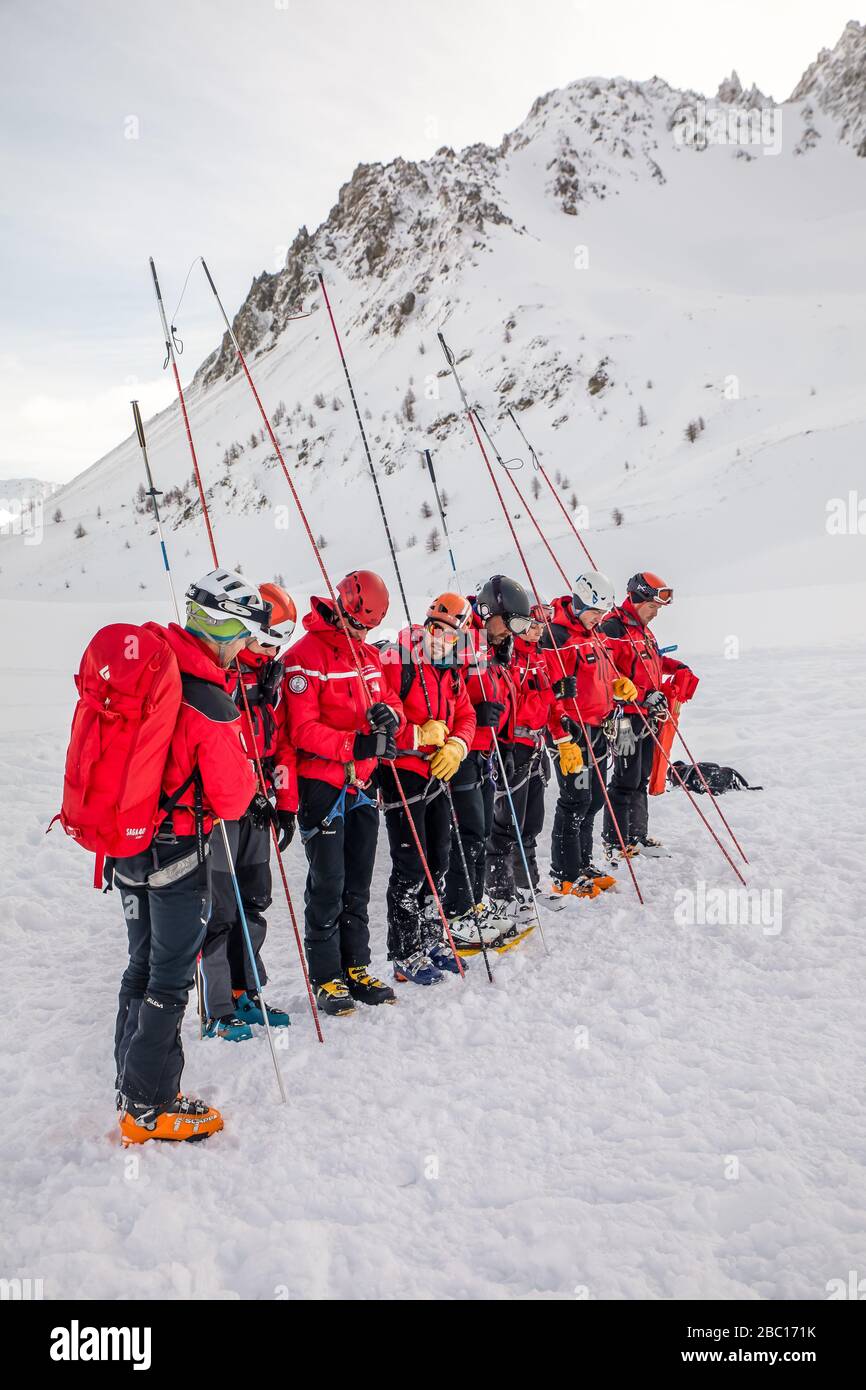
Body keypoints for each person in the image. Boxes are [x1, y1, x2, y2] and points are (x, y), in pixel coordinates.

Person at [112, 568, 272, 1144]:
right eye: (245, 634)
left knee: (140, 966)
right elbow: (232, 797)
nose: (246, 648)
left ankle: (130, 1086)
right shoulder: (208, 700)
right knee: (169, 977)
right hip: (177, 855)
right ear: (224, 629)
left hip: (127, 845)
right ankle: (151, 1105)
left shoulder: (151, 673)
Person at [281, 570, 402, 1017]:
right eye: (358, 624)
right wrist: (354, 744)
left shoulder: (367, 654)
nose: (363, 632)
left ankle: (356, 966)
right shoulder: (304, 658)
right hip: (325, 783)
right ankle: (326, 975)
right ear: (342, 608)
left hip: (364, 783)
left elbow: (390, 701)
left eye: (370, 627)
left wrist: (391, 718)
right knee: (327, 882)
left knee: (358, 881)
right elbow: (303, 729)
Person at [200, 582, 297, 1040]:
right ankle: (216, 1007)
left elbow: (283, 747)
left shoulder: (271, 678)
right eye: (270, 633)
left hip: (259, 806)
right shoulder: (224, 672)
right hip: (223, 807)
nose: (275, 644)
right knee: (220, 907)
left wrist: (286, 801)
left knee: (254, 900)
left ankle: (246, 990)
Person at [378, 593, 476, 984]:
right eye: (436, 629)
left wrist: (458, 744)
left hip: (439, 770)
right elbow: (380, 714)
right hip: (403, 770)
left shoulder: (451, 669)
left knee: (439, 859)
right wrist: (416, 734)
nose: (440, 639)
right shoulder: (400, 659)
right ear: (426, 624)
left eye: (451, 635)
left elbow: (466, 714)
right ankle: (405, 952)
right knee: (410, 864)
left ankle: (431, 937)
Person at [441, 574, 530, 948]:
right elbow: (446, 693)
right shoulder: (461, 639)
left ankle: (473, 906)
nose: (512, 633)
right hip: (460, 750)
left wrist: (506, 746)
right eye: (510, 623)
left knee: (480, 833)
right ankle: (457, 913)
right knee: (465, 834)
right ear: (490, 611)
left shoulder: (495, 648)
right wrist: (477, 712)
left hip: (485, 751)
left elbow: (504, 699)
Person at [540, 572, 633, 896]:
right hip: (571, 731)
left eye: (603, 615)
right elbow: (550, 692)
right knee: (574, 799)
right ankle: (564, 872)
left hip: (597, 726)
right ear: (579, 602)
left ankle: (582, 863)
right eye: (595, 612)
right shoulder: (557, 636)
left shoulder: (594, 635)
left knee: (594, 798)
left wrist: (617, 684)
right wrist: (562, 737)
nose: (599, 619)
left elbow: (603, 671)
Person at [598, 571, 699, 860]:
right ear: (637, 599)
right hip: (624, 718)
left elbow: (652, 661)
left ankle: (636, 836)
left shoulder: (642, 629)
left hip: (646, 716)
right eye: (652, 607)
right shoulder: (614, 628)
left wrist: (676, 667)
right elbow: (607, 675)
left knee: (641, 775)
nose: (655, 614)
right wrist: (643, 695)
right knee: (625, 778)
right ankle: (615, 841)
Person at [485, 603, 558, 921]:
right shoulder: (511, 656)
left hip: (535, 744)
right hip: (512, 745)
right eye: (533, 623)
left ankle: (526, 884)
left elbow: (545, 702)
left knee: (531, 821)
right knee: (506, 823)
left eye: (543, 624)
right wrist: (549, 695)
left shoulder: (538, 655)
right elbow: (513, 703)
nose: (540, 629)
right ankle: (500, 892)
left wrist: (559, 719)